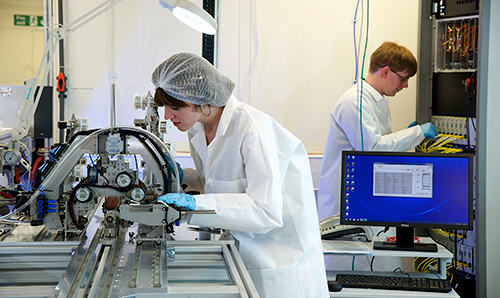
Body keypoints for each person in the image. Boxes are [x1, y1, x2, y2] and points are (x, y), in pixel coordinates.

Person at [151, 52, 329, 298]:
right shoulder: (197, 130)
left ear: (202, 101)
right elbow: (216, 184)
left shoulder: (253, 131)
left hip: (279, 262)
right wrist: (180, 177)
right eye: (165, 108)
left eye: (174, 107)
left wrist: (192, 206)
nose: (167, 116)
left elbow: (265, 211)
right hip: (240, 252)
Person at [317, 41, 438, 221]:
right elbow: (372, 148)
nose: (405, 86)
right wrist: (416, 134)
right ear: (386, 71)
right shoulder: (355, 102)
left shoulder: (375, 100)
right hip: (344, 203)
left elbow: (377, 141)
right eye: (403, 78)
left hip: (362, 195)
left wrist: (406, 134)